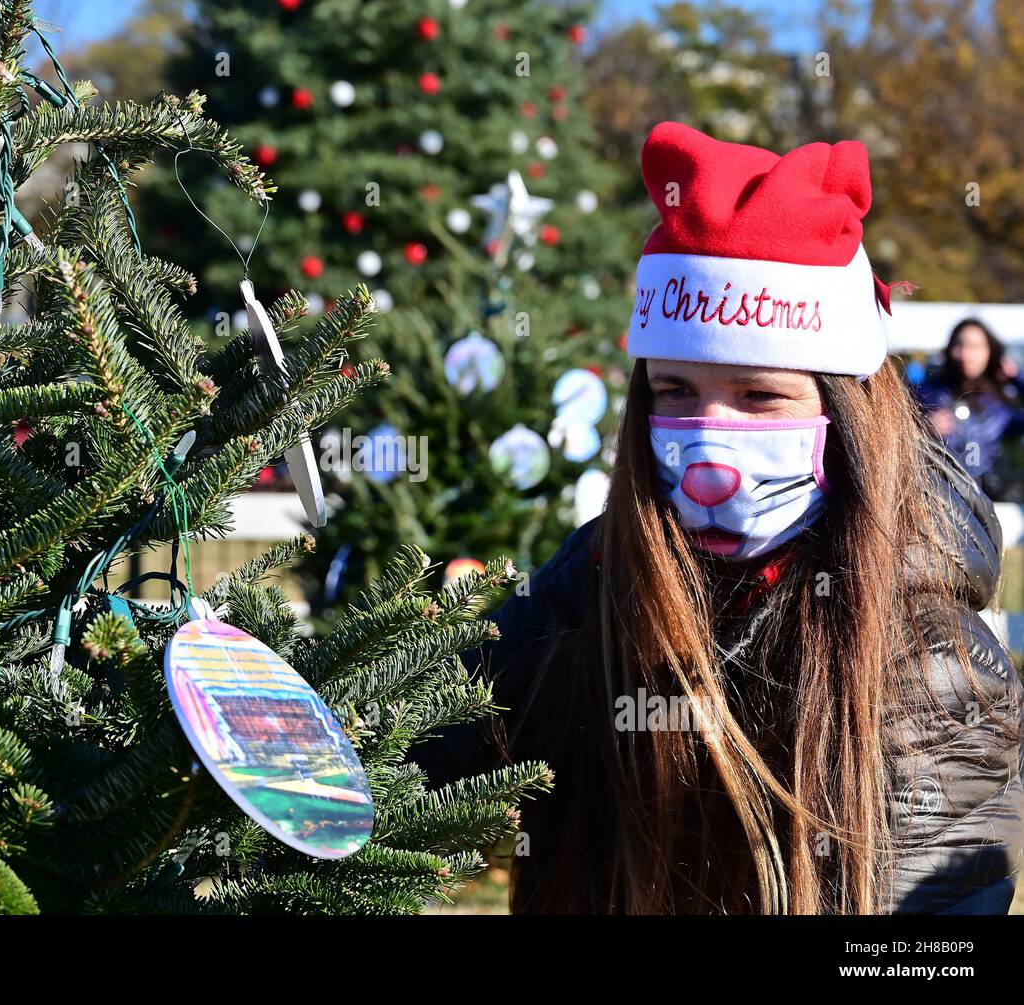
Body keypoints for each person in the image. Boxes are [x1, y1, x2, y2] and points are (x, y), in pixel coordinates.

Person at [408, 121, 1024, 915]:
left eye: (760, 394)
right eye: (674, 391)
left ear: (846, 411)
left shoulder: (933, 666)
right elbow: (418, 754)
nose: (707, 433)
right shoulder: (591, 580)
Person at [912, 318, 1024, 501]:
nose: (965, 354)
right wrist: (922, 427)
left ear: (990, 352)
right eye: (959, 345)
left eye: (975, 347)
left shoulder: (1000, 407)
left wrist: (1015, 377)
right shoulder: (926, 391)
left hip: (984, 504)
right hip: (933, 500)